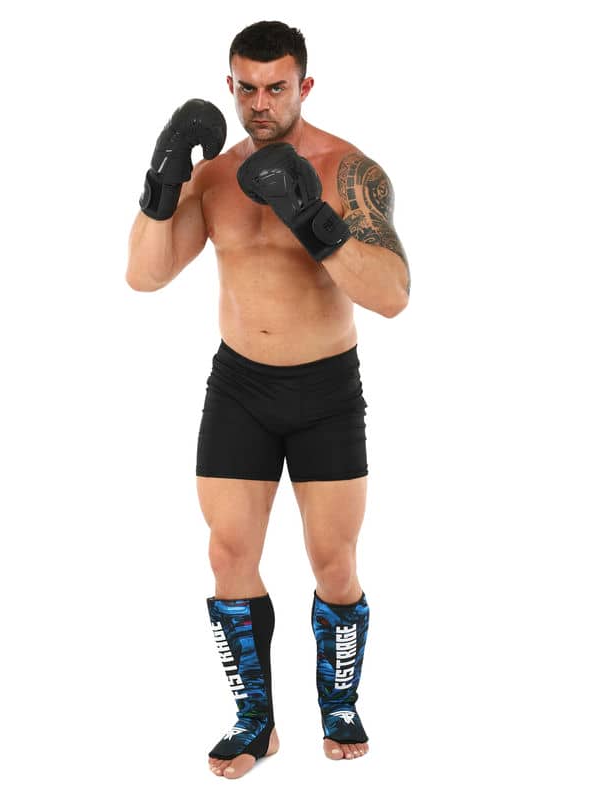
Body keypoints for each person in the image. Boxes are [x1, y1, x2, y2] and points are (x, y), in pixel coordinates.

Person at [126, 20, 410, 780]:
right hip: (240, 387)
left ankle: (339, 706)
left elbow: (392, 295)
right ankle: (256, 721)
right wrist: (162, 186)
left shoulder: (348, 169)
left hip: (326, 391)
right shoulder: (215, 177)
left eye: (276, 87)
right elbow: (145, 276)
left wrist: (312, 218)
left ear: (304, 86)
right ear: (230, 86)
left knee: (334, 564)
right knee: (227, 555)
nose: (260, 103)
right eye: (247, 88)